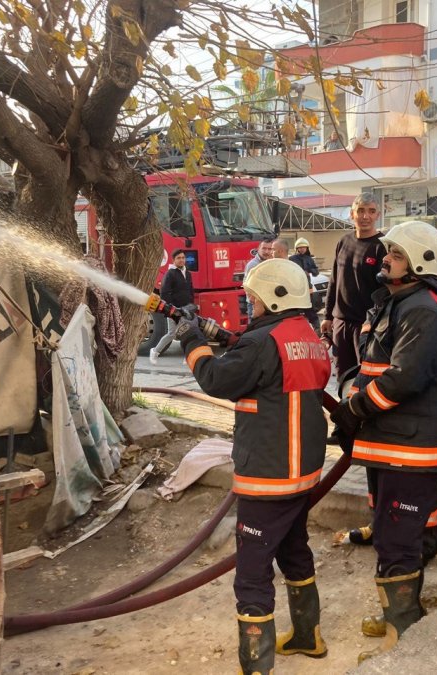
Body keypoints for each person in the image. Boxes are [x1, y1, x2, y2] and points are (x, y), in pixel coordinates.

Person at [175, 258, 332, 674]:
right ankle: (308, 637)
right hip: (302, 473)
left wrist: (192, 340)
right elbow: (267, 368)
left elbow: (216, 379)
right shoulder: (306, 334)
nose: (250, 305)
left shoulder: (262, 343)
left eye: (254, 299)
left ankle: (257, 667)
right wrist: (223, 337)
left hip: (268, 474)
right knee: (294, 551)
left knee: (252, 574)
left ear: (276, 298)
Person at [329, 221, 437, 663]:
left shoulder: (424, 310)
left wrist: (355, 410)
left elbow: (404, 378)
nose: (385, 258)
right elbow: (376, 366)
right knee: (390, 534)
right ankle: (398, 615)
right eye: (388, 252)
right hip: (394, 441)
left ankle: (403, 633)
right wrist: (353, 402)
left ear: (421, 262)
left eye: (397, 254)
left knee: (398, 542)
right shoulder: (399, 300)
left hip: (413, 447)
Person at [321, 192, 386, 380]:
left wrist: (377, 323)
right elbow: (335, 280)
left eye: (371, 211)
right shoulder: (344, 242)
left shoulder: (381, 246)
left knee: (365, 376)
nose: (365, 216)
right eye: (361, 211)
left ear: (378, 215)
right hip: (340, 322)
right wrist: (327, 316)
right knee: (343, 376)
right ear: (352, 214)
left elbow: (385, 290)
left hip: (366, 324)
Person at [148, 248, 193, 365]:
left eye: (183, 258)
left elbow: (190, 290)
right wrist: (172, 309)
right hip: (174, 310)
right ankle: (155, 351)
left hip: (186, 309)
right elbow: (164, 293)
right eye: (179, 258)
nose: (181, 260)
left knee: (186, 331)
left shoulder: (187, 273)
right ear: (173, 260)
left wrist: (191, 304)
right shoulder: (170, 274)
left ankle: (187, 356)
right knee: (172, 334)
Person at [290, 237, 322, 323]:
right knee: (295, 308)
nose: (302, 249)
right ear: (296, 248)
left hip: (307, 287)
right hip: (295, 287)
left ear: (307, 248)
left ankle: (316, 326)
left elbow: (316, 272)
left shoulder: (309, 259)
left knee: (309, 307)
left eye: (304, 247)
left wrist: (309, 271)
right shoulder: (291, 259)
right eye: (300, 247)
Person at [244, 237, 275, 319]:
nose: (266, 251)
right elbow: (248, 287)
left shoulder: (272, 263)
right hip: (255, 305)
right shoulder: (253, 265)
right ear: (258, 249)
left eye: (269, 249)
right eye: (264, 248)